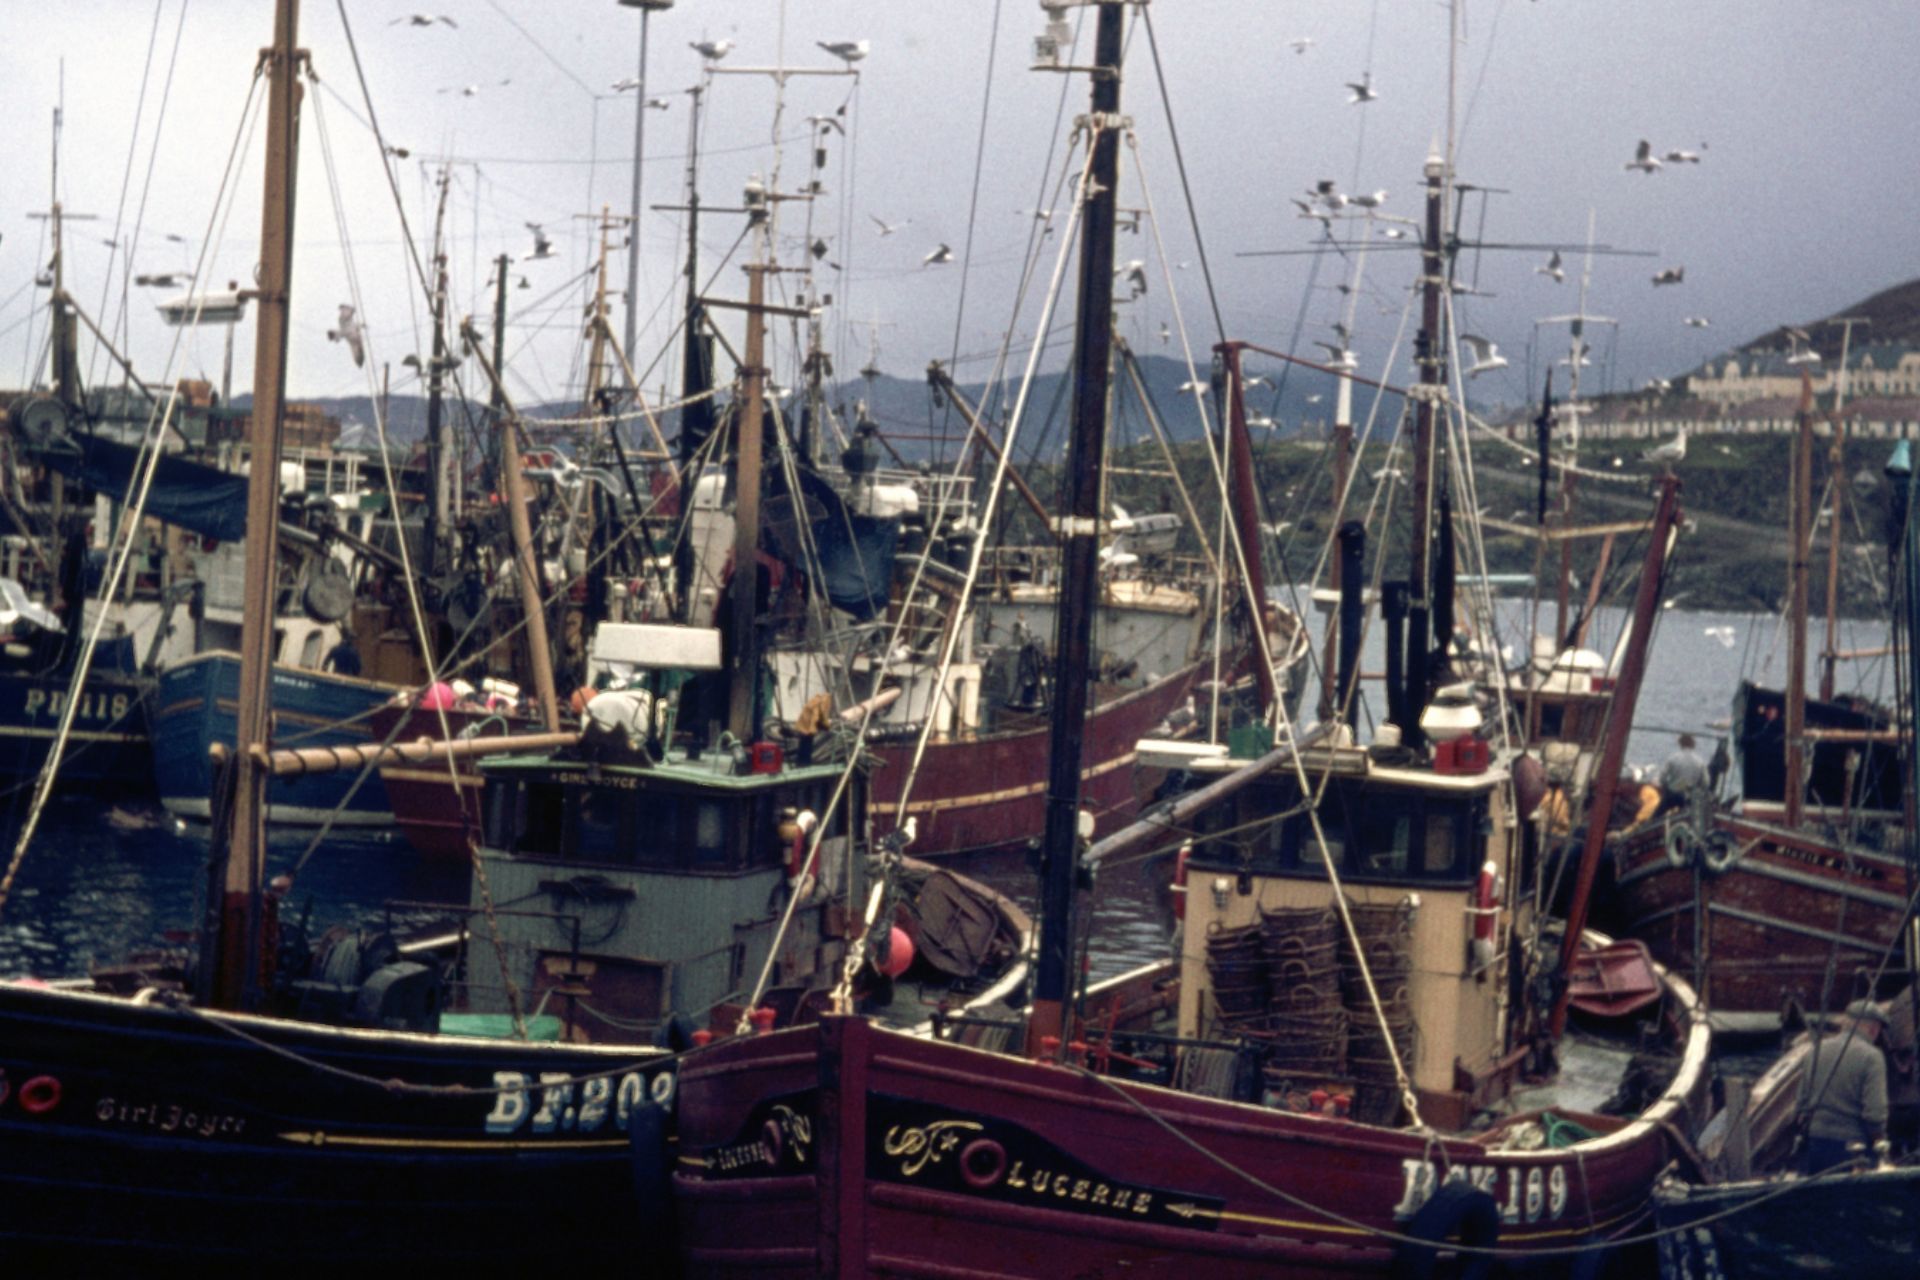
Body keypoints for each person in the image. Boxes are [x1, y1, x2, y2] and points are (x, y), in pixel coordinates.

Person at [1798, 999, 1890, 1174]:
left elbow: (1801, 1104)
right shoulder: (1872, 1057)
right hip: (1851, 1149)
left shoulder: (1815, 1050)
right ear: (1873, 1029)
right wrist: (1882, 1145)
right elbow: (1875, 1114)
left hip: (1814, 1145)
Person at [1657, 732, 1708, 812]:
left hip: (1672, 795)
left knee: (1657, 815)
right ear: (1693, 745)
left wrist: (1666, 787)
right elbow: (1706, 783)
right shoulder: (1700, 762)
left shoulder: (1673, 758)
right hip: (1689, 798)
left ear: (1680, 744)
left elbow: (1662, 778)